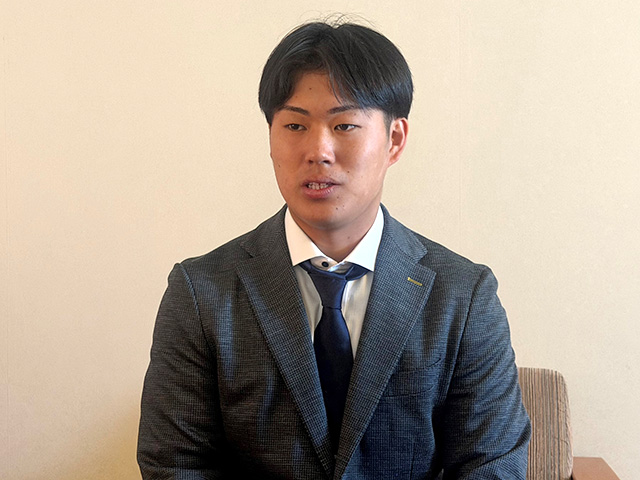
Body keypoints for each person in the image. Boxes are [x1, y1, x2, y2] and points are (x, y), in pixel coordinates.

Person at [137, 20, 531, 479]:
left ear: (394, 140)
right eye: (294, 125)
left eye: (344, 125)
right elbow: (176, 464)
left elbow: (491, 464)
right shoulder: (201, 293)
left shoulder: (463, 296)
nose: (318, 151)